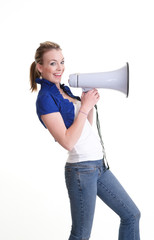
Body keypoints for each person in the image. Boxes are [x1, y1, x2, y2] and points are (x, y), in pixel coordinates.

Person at [30, 41, 141, 240]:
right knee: (81, 235)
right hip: (81, 170)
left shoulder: (64, 90)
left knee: (131, 215)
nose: (60, 68)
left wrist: (87, 105)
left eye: (62, 62)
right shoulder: (45, 98)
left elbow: (84, 129)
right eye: (53, 63)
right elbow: (68, 141)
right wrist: (84, 107)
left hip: (99, 166)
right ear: (40, 66)